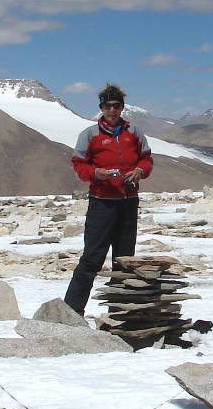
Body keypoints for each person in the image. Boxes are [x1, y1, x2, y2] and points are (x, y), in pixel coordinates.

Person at [64, 87, 158, 314]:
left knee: (124, 260)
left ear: (122, 107)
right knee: (92, 258)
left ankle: (120, 314)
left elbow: (147, 158)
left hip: (128, 202)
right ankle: (72, 312)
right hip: (102, 203)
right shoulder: (90, 134)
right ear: (101, 109)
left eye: (116, 106)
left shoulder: (134, 132)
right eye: (108, 106)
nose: (112, 110)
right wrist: (96, 173)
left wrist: (140, 171)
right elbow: (78, 164)